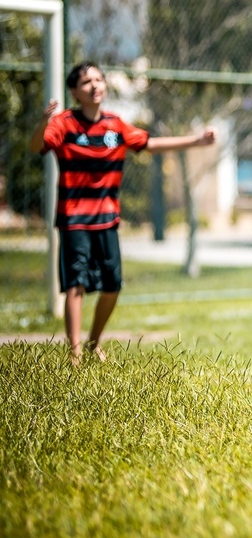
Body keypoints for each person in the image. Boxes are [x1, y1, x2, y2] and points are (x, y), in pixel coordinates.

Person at [30, 61, 217, 364]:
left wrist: (196, 141)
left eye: (99, 79)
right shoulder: (63, 124)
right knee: (75, 284)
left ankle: (94, 343)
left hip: (106, 219)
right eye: (87, 81)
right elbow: (37, 146)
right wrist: (42, 123)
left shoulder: (115, 126)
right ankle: (74, 354)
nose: (95, 86)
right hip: (74, 219)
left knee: (112, 286)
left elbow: (150, 144)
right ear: (74, 92)